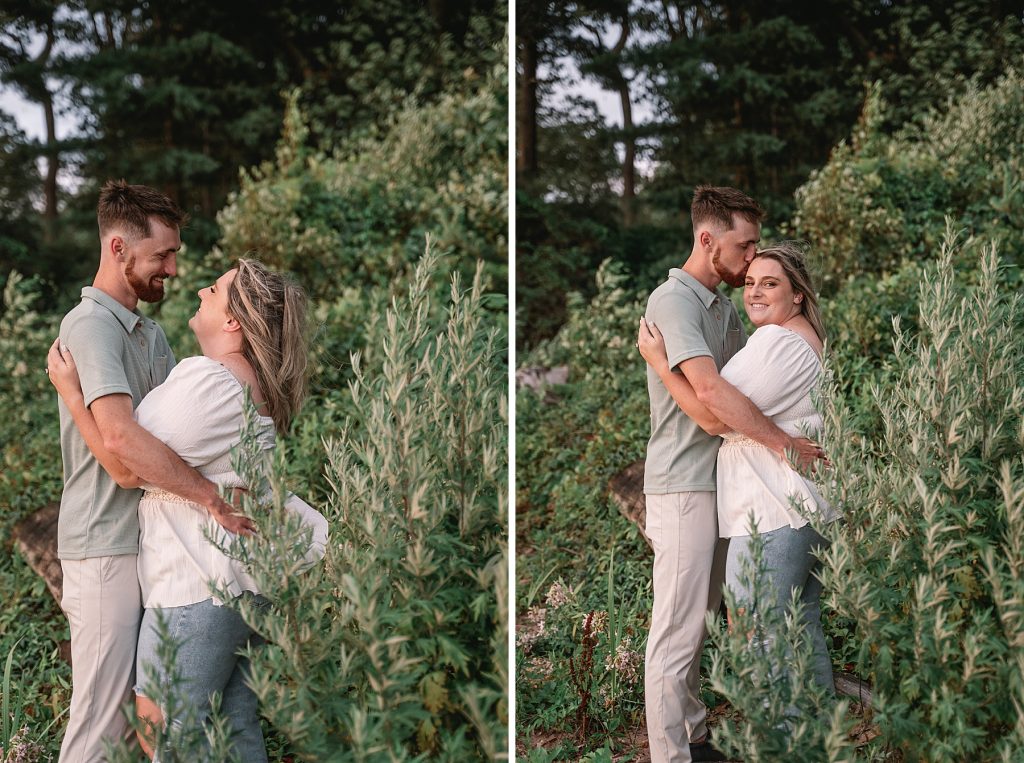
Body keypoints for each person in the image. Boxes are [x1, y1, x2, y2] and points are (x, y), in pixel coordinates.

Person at [48, 258, 324, 760]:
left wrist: (72, 394)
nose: (199, 288)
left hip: (197, 587)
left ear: (233, 320)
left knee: (166, 729)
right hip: (237, 585)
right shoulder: (244, 383)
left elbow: (126, 460)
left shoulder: (210, 381)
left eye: (214, 289)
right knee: (233, 724)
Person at [51, 180, 250, 763]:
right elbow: (123, 453)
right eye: (162, 255)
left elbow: (172, 442)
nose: (172, 268)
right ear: (118, 248)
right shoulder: (91, 328)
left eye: (175, 255)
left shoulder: (151, 333)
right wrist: (211, 497)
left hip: (145, 547)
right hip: (102, 548)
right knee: (101, 726)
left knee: (137, 723)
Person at [638, 187, 822, 763]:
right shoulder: (675, 302)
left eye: (759, 255)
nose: (750, 263)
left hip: (726, 488)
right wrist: (786, 444)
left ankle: (693, 732)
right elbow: (716, 399)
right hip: (683, 482)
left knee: (705, 619)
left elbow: (751, 395)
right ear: (707, 239)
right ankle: (673, 755)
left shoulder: (724, 309)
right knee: (677, 626)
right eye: (744, 248)